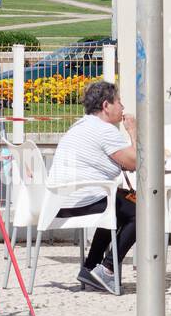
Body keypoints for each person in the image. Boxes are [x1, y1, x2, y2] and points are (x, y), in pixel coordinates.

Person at [46, 80, 138, 293]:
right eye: (119, 102)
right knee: (143, 210)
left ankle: (90, 267)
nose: (122, 108)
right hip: (82, 199)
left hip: (62, 200)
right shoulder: (105, 130)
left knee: (118, 203)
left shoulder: (81, 125)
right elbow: (135, 162)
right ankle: (106, 269)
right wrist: (133, 131)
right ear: (106, 106)